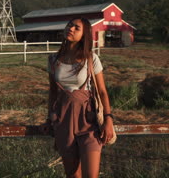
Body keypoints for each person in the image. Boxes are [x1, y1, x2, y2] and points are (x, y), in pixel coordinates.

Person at [41, 17, 115, 178]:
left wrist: (108, 119)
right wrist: (49, 119)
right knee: (73, 175)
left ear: (84, 34)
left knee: (91, 175)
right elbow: (53, 92)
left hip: (89, 121)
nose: (71, 29)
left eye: (76, 28)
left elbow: (102, 91)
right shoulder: (53, 60)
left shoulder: (91, 58)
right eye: (69, 25)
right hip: (63, 120)